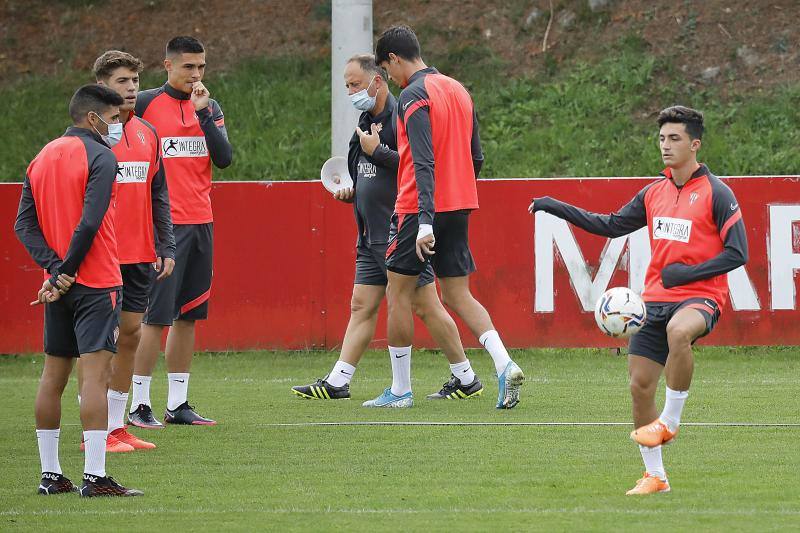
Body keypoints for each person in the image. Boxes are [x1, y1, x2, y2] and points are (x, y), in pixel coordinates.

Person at [529, 105, 748, 495]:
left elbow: (738, 253)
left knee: (681, 333)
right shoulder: (654, 192)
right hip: (654, 301)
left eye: (675, 138)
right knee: (640, 386)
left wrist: (688, 274)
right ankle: (656, 476)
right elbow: (610, 225)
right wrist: (556, 207)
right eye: (662, 138)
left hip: (701, 296)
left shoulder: (717, 193)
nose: (666, 145)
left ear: (695, 144)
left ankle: (672, 420)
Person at [292, 55, 469, 405]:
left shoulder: (403, 114)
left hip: (398, 229)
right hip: (369, 232)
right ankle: (339, 381)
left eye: (355, 84)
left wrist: (379, 151)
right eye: (347, 85)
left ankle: (465, 376)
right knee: (362, 306)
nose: (350, 91)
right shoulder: (363, 121)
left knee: (426, 306)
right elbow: (364, 173)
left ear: (378, 81)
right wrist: (351, 193)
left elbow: (420, 164)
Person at [375, 25, 525, 408]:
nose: (390, 79)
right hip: (459, 205)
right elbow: (477, 157)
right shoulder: (459, 89)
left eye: (387, 69)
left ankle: (399, 390)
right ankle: (504, 363)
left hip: (417, 210)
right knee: (458, 295)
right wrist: (457, 191)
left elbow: (422, 161)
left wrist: (425, 221)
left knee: (398, 293)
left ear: (394, 58)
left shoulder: (413, 95)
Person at [15, 84, 143, 497]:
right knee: (95, 377)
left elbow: (24, 226)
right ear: (93, 118)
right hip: (98, 281)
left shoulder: (41, 157)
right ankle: (95, 476)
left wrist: (54, 272)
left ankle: (51, 475)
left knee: (53, 376)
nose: (118, 126)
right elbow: (89, 223)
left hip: (60, 286)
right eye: (115, 118)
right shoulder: (101, 156)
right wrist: (67, 269)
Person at [131, 36, 232, 426]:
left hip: (201, 221)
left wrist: (204, 114)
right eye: (188, 67)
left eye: (202, 67)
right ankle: (139, 404)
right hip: (162, 227)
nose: (196, 74)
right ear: (168, 66)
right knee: (155, 317)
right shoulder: (144, 105)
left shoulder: (210, 106)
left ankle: (178, 403)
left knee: (188, 315)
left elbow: (223, 159)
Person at [85, 50, 175, 442]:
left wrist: (166, 244)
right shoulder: (88, 138)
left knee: (132, 334)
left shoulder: (146, 133)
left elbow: (159, 192)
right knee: (100, 344)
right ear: (102, 87)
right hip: (101, 255)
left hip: (139, 254)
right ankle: (96, 427)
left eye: (136, 82)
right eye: (123, 82)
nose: (132, 89)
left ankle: (117, 426)